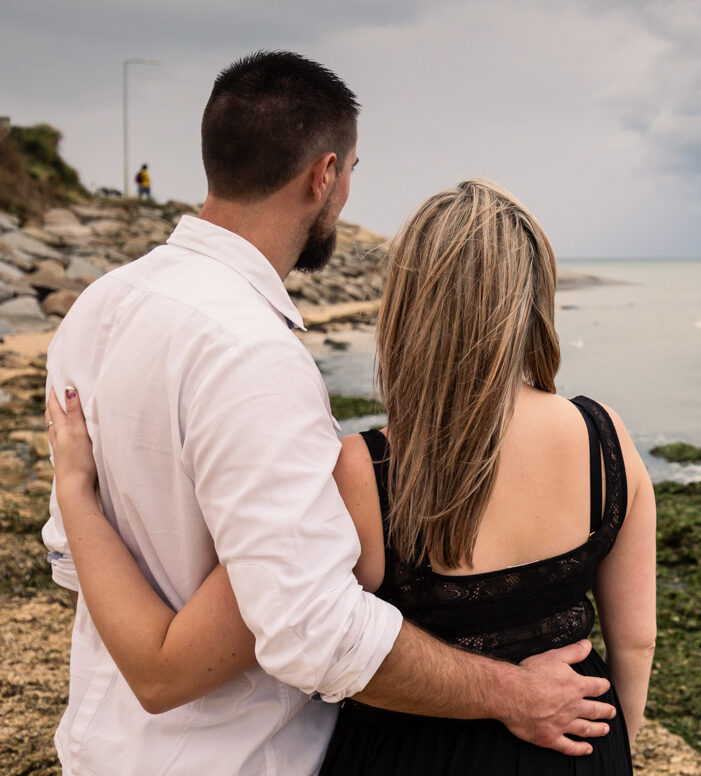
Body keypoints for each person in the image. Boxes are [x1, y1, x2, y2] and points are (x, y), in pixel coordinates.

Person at [41, 54, 615, 775]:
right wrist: (512, 693)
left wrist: (73, 495)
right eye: (352, 175)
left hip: (103, 750)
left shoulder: (99, 309)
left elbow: (75, 567)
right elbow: (313, 631)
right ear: (325, 174)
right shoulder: (252, 354)